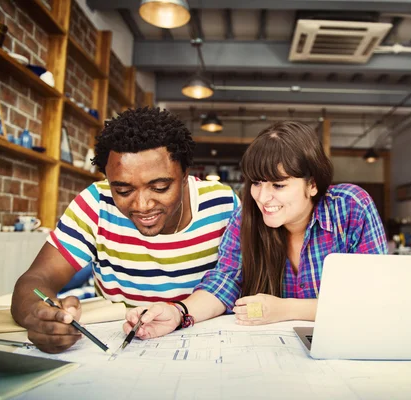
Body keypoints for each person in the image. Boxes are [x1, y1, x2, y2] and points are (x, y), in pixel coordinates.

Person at [123, 120, 387, 340]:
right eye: (257, 183)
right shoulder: (247, 216)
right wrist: (178, 313)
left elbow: (372, 299)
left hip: (346, 346)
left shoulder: (350, 207)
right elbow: (224, 282)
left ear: (313, 185)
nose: (263, 197)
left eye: (278, 185)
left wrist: (284, 309)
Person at [11, 107, 239, 353]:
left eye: (160, 187)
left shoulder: (222, 205)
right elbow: (35, 280)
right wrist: (40, 316)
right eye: (123, 191)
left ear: (185, 175)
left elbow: (244, 281)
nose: (142, 206)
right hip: (120, 345)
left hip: (208, 343)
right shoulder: (95, 203)